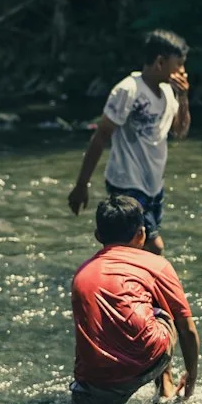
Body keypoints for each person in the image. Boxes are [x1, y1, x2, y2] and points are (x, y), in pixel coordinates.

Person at [70, 194, 199, 404]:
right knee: (161, 304)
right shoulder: (157, 264)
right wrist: (191, 377)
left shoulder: (82, 273)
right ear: (141, 234)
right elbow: (186, 327)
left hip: (98, 377)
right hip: (149, 357)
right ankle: (166, 385)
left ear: (98, 236)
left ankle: (159, 385)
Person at [68, 29, 190, 254]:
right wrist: (81, 185)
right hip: (126, 182)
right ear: (160, 63)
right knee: (153, 247)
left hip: (154, 185)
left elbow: (180, 131)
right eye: (179, 64)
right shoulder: (129, 90)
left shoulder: (168, 92)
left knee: (136, 247)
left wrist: (183, 97)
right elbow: (101, 136)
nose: (183, 71)